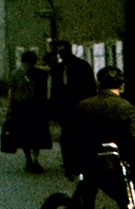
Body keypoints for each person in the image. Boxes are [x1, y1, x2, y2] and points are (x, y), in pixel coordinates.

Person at [69, 66, 135, 209]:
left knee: (87, 196)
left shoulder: (83, 106)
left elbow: (70, 137)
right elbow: (134, 140)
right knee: (128, 198)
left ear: (98, 83)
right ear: (121, 84)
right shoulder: (125, 107)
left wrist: (71, 164)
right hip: (115, 166)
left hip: (88, 163)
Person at [50, 40, 97, 174]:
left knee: (80, 134)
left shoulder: (82, 66)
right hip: (64, 108)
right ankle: (68, 163)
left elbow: (90, 86)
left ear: (69, 51)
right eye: (60, 52)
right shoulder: (58, 68)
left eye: (64, 52)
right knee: (65, 136)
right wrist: (54, 107)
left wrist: (89, 104)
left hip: (80, 105)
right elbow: (55, 89)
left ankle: (80, 162)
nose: (62, 55)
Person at [6, 50, 51, 173]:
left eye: (32, 63)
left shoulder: (39, 73)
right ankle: (28, 160)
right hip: (20, 107)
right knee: (24, 136)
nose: (29, 66)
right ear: (23, 62)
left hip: (36, 107)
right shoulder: (15, 74)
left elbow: (49, 72)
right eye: (27, 63)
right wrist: (9, 107)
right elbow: (11, 91)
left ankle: (35, 160)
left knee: (37, 136)